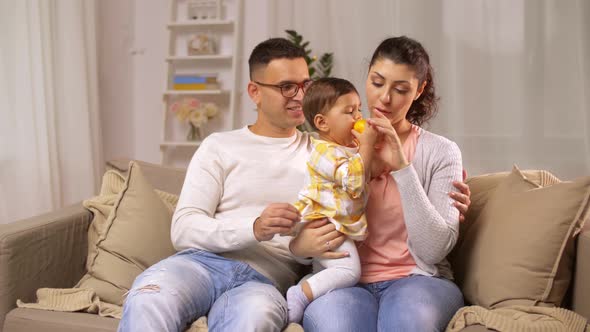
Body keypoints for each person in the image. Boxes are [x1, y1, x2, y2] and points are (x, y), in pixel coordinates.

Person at [118, 37, 471, 332]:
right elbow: (187, 228)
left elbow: (425, 238)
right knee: (152, 299)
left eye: (305, 86)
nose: (299, 96)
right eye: (285, 86)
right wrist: (276, 236)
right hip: (224, 266)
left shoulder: (339, 150)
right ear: (254, 92)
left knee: (258, 319)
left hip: (288, 280)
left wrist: (413, 178)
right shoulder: (236, 146)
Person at [290, 36, 467, 331]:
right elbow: (303, 212)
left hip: (416, 281)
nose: (385, 98)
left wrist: (402, 166)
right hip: (345, 283)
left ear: (419, 90)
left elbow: (434, 250)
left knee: (407, 324)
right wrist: (299, 246)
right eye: (377, 82)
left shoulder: (441, 152)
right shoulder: (328, 148)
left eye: (400, 89)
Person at [286, 77, 378, 323]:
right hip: (322, 223)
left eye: (359, 109)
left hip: (335, 222)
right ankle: (299, 294)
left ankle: (307, 285)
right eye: (349, 112)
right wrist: (367, 146)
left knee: (325, 270)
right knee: (349, 271)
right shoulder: (322, 152)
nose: (358, 118)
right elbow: (355, 182)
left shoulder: (345, 148)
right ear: (322, 123)